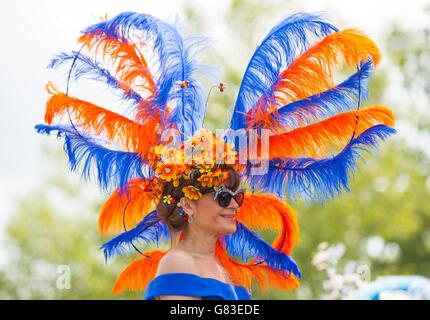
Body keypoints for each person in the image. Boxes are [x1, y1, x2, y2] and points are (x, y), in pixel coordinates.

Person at [35, 11, 396, 300]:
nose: (235, 204)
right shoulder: (176, 263)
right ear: (188, 205)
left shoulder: (224, 269)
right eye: (223, 195)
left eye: (237, 195)